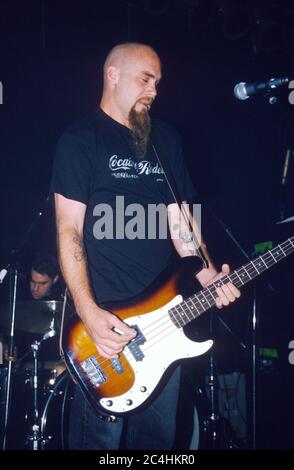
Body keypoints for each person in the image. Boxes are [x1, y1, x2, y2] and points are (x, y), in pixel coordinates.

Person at [50, 42, 241, 450]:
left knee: (157, 443)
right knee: (98, 443)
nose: (153, 91)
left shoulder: (164, 139)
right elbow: (69, 231)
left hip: (165, 321)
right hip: (104, 322)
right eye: (145, 79)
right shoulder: (80, 139)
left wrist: (205, 270)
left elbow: (182, 222)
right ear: (113, 75)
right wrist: (89, 311)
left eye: (158, 83)